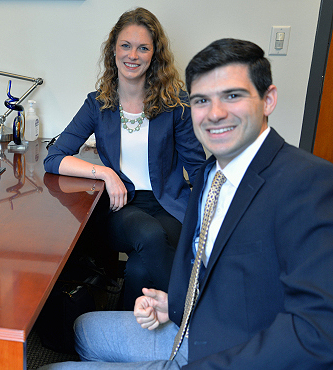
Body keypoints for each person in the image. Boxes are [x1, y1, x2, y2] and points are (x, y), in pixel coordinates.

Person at [40, 38, 333, 369]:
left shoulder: (310, 184)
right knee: (83, 330)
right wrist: (175, 305)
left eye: (232, 96)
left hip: (230, 354)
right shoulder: (209, 175)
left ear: (268, 100)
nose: (215, 113)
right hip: (192, 324)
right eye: (202, 100)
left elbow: (318, 333)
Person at [44, 8, 205, 309]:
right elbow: (54, 157)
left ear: (154, 54)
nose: (133, 55)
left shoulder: (176, 104)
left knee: (141, 268)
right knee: (149, 235)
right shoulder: (98, 104)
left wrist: (212, 220)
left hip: (168, 205)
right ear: (114, 51)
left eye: (143, 47)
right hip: (121, 207)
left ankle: (121, 339)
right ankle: (194, 313)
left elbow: (198, 170)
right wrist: (106, 174)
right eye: (126, 46)